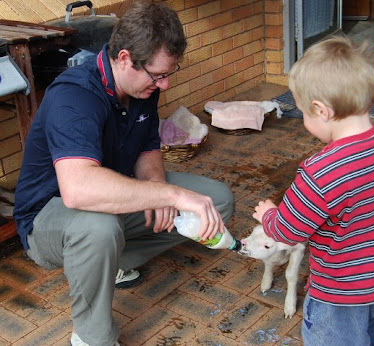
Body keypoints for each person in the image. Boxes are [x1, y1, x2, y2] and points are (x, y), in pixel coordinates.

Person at [13, 2, 235, 345]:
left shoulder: (140, 88)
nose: (164, 85)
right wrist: (169, 195)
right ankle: (91, 337)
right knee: (98, 227)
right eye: (159, 75)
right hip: (48, 216)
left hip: (110, 199)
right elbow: (78, 189)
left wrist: (158, 185)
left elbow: (147, 149)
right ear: (126, 58)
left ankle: (111, 262)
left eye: (169, 73)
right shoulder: (74, 97)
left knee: (216, 201)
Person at [252, 36, 374, 346]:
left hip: (340, 294)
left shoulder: (320, 172)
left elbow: (288, 231)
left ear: (321, 111)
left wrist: (269, 216)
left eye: (304, 112)